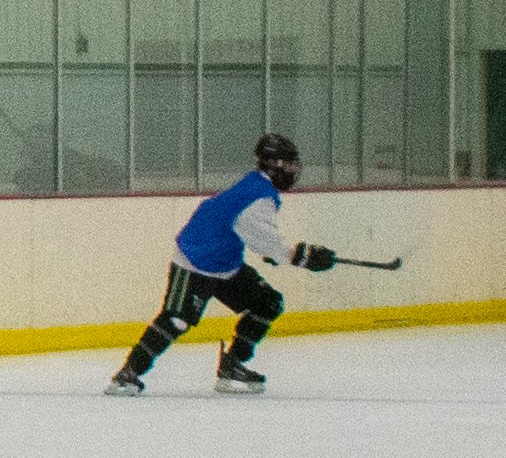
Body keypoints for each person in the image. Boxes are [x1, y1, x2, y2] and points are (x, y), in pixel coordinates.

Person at [110, 130, 360, 394]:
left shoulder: (258, 186)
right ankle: (128, 374)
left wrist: (281, 252)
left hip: (224, 264)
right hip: (196, 261)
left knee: (267, 302)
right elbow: (264, 239)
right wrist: (303, 257)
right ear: (274, 166)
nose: (292, 170)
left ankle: (233, 365)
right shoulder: (259, 196)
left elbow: (246, 229)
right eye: (288, 164)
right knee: (176, 320)